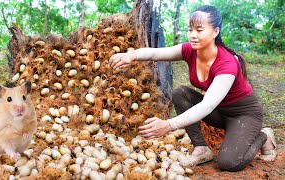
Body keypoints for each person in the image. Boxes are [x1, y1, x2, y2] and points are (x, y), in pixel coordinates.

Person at [109, 5, 277, 172]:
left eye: (199, 30)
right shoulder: (191, 50)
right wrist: (132, 55)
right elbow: (156, 53)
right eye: (190, 30)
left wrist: (169, 124)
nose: (193, 35)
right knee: (181, 93)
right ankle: (201, 148)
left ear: (215, 32)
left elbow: (207, 106)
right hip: (219, 112)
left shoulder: (226, 64)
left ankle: (264, 136)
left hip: (243, 115)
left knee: (229, 163)